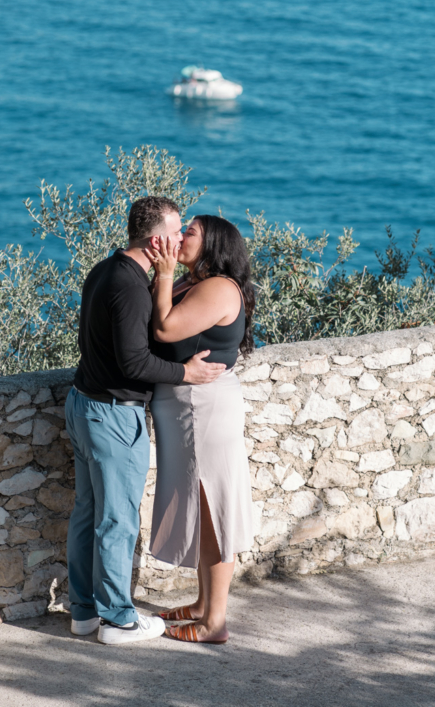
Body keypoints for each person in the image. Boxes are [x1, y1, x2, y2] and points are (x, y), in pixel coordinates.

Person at [65, 196, 227, 645]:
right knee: (117, 520)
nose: (180, 241)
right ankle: (118, 620)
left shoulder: (104, 270)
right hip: (114, 416)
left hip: (83, 404)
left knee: (87, 513)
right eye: (177, 233)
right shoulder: (132, 287)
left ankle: (83, 612)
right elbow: (135, 362)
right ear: (157, 239)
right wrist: (185, 372)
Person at [144, 214, 255, 645]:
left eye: (189, 231)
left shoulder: (217, 288)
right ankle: (203, 604)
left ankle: (215, 622)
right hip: (187, 406)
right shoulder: (198, 283)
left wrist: (165, 275)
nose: (179, 236)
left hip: (203, 408)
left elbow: (166, 327)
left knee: (215, 509)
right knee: (202, 507)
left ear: (213, 245)